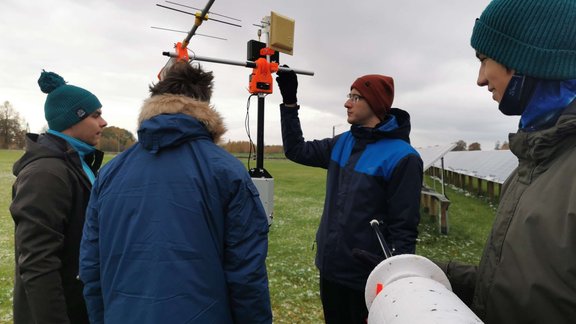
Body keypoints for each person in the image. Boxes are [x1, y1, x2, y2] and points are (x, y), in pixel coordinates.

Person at [79, 61, 272, 324]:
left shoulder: (111, 173)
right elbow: (247, 274)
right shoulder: (227, 171)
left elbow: (91, 265)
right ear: (205, 105)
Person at [434, 0, 576, 322]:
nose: (481, 79)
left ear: (528, 57)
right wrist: (436, 274)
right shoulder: (532, 162)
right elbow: (527, 289)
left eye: (484, 60)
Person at [275, 70, 423, 323]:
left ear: (375, 103)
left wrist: (394, 280)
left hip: (366, 277)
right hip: (330, 269)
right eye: (349, 96)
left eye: (356, 97)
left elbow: (404, 228)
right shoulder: (342, 143)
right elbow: (296, 150)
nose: (347, 103)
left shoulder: (403, 157)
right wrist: (290, 103)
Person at [10, 70, 107, 323]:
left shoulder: (74, 162)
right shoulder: (47, 173)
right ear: (72, 120)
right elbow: (38, 263)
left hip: (80, 304)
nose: (103, 122)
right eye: (95, 115)